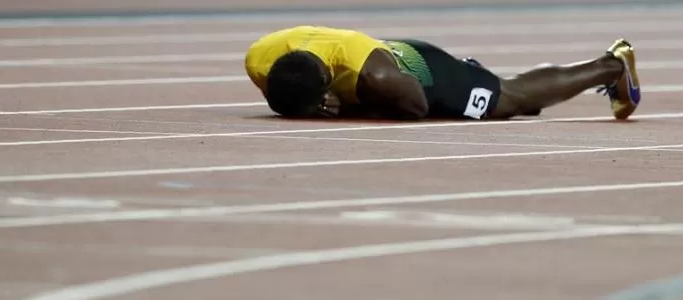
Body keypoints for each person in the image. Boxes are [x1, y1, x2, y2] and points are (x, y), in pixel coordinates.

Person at [244, 25, 639, 121]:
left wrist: (345, 109)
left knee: (510, 98)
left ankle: (610, 66)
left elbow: (416, 106)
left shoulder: (375, 76)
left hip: (420, 74)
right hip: (378, 56)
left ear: (328, 85)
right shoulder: (259, 59)